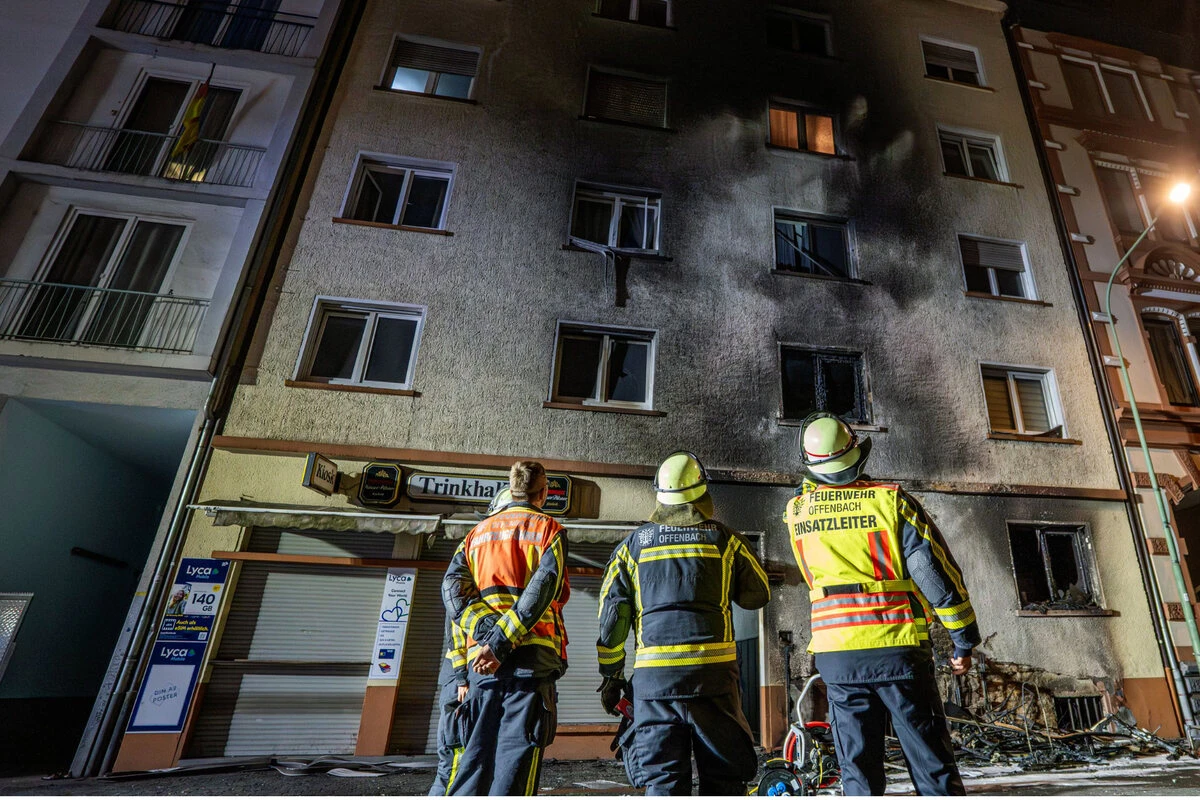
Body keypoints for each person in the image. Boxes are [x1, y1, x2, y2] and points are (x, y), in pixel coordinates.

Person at [784, 412, 981, 796]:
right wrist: (963, 639)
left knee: (858, 771)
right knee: (931, 764)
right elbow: (933, 574)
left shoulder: (797, 512)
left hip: (838, 656)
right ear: (856, 456)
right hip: (898, 650)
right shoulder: (890, 501)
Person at [597, 451, 771, 795]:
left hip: (654, 686)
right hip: (714, 681)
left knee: (662, 782)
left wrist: (612, 677)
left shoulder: (632, 547)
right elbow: (758, 595)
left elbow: (612, 619)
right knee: (723, 780)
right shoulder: (727, 541)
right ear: (702, 494)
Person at [441, 462, 568, 795]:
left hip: (482, 665)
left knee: (474, 759)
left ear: (510, 490)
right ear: (544, 493)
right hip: (529, 662)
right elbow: (540, 593)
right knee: (515, 763)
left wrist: (486, 639)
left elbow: (452, 592)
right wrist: (499, 643)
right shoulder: (548, 530)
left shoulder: (475, 535)